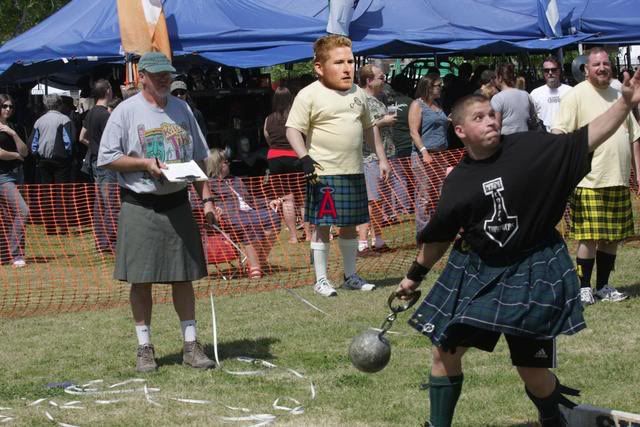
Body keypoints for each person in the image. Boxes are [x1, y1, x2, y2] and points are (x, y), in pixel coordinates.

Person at [395, 67, 640, 426]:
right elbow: (439, 238)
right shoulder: (458, 183)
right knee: (444, 349)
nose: (490, 121)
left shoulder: (531, 148)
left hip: (534, 267)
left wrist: (624, 103)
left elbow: (586, 137)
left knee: (534, 374)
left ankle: (552, 416)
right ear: (460, 131)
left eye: (492, 114)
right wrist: (412, 278)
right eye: (479, 118)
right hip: (480, 270)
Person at [97, 52, 216, 372]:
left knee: (184, 277)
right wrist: (144, 164)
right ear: (142, 77)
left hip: (178, 203)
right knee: (140, 280)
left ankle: (191, 345)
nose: (165, 79)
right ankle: (144, 347)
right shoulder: (125, 112)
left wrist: (207, 199)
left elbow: (201, 158)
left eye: (168, 74)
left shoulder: (183, 109)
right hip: (140, 205)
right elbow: (107, 157)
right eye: (158, 74)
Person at [285, 34, 391, 297]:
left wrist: (382, 158)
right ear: (319, 68)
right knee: (322, 226)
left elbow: (370, 128)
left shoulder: (358, 94)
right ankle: (321, 280)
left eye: (350, 61)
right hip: (323, 174)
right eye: (339, 62)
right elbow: (292, 130)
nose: (347, 68)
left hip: (353, 171)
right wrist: (305, 159)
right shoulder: (308, 94)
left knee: (350, 225)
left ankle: (350, 275)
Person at [552, 47, 640, 305]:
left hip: (618, 178)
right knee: (588, 237)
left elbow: (635, 138)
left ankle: (603, 286)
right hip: (588, 180)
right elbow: (560, 133)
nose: (602, 67)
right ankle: (584, 287)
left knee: (612, 237)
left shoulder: (620, 94)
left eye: (605, 63)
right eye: (596, 64)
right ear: (585, 70)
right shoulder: (575, 96)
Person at [206, 149, 281, 278]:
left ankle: (259, 262)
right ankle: (255, 268)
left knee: (273, 217)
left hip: (249, 213)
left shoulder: (235, 180)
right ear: (217, 164)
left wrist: (269, 201)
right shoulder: (207, 184)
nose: (229, 164)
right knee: (250, 225)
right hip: (230, 217)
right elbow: (200, 204)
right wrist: (213, 209)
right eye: (226, 162)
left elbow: (250, 200)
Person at [357, 64, 396, 257]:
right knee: (372, 202)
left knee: (379, 202)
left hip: (382, 157)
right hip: (369, 158)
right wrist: (383, 122)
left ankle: (378, 240)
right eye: (381, 77)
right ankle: (363, 244)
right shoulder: (361, 100)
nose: (384, 81)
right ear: (368, 80)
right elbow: (361, 128)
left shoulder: (377, 99)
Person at [79, 79, 118, 253]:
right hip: (107, 163)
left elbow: (82, 137)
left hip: (95, 161)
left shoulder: (90, 113)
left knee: (100, 203)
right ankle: (108, 242)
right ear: (108, 90)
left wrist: (95, 148)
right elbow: (115, 140)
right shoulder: (106, 115)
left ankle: (100, 241)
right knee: (111, 203)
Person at [263, 86, 305, 244]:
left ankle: (293, 237)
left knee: (287, 199)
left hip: (275, 159)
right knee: (302, 197)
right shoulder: (296, 116)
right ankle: (308, 234)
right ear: (291, 99)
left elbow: (268, 138)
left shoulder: (268, 119)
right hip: (295, 157)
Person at [30, 94, 76, 235]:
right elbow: (69, 142)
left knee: (47, 194)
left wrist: (37, 156)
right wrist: (69, 156)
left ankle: (49, 227)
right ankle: (63, 227)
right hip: (61, 161)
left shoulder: (39, 121)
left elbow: (33, 143)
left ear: (45, 104)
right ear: (60, 104)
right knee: (62, 194)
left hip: (43, 161)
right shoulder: (64, 119)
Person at [408, 74, 449, 232]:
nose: (441, 88)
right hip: (424, 157)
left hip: (440, 155)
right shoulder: (417, 105)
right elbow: (413, 132)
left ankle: (436, 227)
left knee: (438, 193)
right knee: (424, 195)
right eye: (438, 85)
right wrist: (424, 152)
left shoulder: (438, 105)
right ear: (429, 87)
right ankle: (423, 231)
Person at [0, 94, 29, 268]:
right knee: (23, 210)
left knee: (8, 216)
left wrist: (13, 134)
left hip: (17, 175)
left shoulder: (14, 127)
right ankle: (16, 254)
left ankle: (6, 254)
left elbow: (25, 152)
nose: (8, 109)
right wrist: (16, 155)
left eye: (10, 106)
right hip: (2, 177)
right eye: (4, 106)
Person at [530, 57, 572, 131]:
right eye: (546, 70)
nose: (550, 73)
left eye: (553, 70)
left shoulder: (570, 91)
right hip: (544, 137)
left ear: (559, 71)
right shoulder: (535, 93)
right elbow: (531, 117)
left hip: (566, 135)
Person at [491, 63, 532, 135]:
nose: (494, 80)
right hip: (526, 140)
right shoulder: (526, 95)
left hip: (507, 142)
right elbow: (534, 121)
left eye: (495, 77)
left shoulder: (497, 98)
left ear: (500, 78)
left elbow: (496, 126)